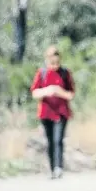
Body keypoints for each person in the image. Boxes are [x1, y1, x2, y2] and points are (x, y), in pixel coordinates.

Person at [29, 45, 76, 179]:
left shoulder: (65, 73)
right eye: (52, 63)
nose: (55, 66)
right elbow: (34, 92)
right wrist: (48, 90)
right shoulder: (41, 73)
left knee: (58, 140)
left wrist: (59, 91)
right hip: (46, 113)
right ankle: (51, 168)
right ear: (47, 60)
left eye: (57, 63)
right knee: (49, 141)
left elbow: (71, 94)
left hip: (61, 113)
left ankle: (58, 167)